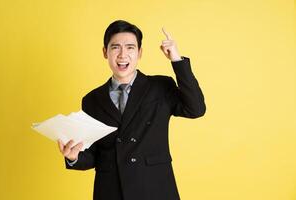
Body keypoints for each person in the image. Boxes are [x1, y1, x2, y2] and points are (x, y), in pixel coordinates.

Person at [57, 20, 206, 200]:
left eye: (130, 47)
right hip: (111, 191)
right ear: (105, 52)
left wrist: (176, 59)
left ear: (139, 52)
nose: (122, 55)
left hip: (155, 189)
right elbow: (93, 155)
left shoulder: (160, 86)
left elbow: (196, 108)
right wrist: (74, 157)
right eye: (115, 47)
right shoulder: (92, 100)